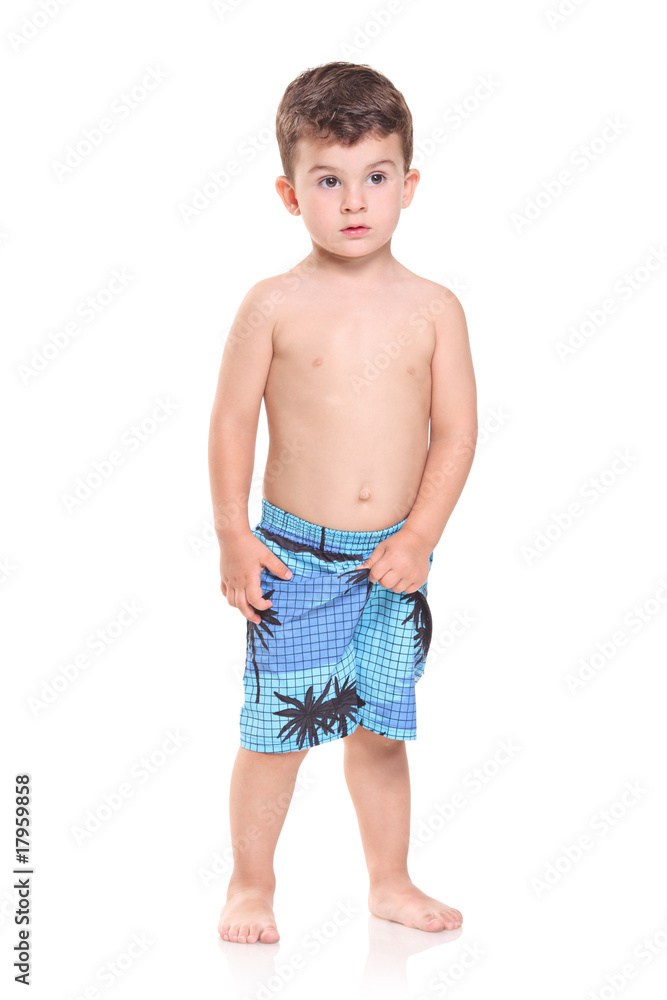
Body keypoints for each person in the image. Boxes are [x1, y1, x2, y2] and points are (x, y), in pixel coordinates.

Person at [208, 60, 477, 945]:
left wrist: (421, 537)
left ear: (409, 185)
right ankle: (250, 885)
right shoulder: (272, 304)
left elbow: (456, 432)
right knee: (275, 732)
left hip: (391, 561)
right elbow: (231, 423)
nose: (354, 201)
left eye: (375, 177)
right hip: (294, 557)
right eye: (328, 181)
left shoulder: (434, 309)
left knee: (381, 733)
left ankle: (389, 881)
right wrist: (233, 538)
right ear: (290, 195)